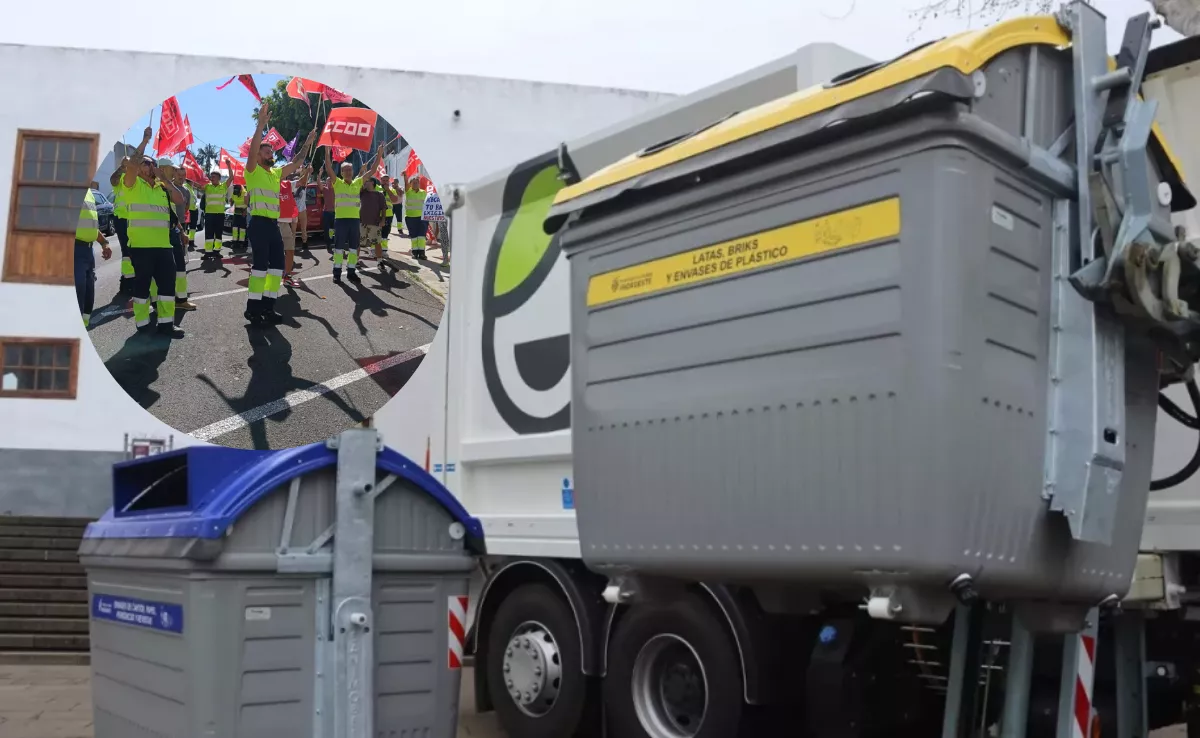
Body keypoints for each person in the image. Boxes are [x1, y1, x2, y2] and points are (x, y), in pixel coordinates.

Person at [242, 102, 315, 325]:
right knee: (260, 267)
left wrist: (308, 143)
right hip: (259, 224)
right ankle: (253, 308)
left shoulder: (276, 173)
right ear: (259, 155)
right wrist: (260, 127)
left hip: (273, 224)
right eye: (267, 150)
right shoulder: (252, 171)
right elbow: (253, 150)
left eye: (272, 150)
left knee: (277, 267)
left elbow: (297, 162)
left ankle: (268, 306)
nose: (271, 152)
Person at [118, 126, 187, 338]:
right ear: (138, 167)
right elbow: (131, 165)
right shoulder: (131, 184)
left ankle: (166, 324)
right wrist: (145, 140)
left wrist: (165, 180)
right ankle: (142, 323)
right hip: (141, 248)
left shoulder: (161, 188)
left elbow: (180, 200)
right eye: (146, 163)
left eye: (152, 163)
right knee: (142, 288)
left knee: (167, 287)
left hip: (163, 247)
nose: (150, 166)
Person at [324, 144, 384, 284]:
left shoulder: (357, 183)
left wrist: (379, 153)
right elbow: (328, 168)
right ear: (341, 173)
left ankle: (351, 272)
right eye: (345, 170)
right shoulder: (337, 183)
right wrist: (327, 153)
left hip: (354, 221)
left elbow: (372, 170)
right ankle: (337, 273)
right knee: (338, 249)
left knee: (353, 248)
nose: (348, 172)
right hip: (340, 221)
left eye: (350, 169)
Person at [76, 187, 112, 327]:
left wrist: (104, 242)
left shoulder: (89, 193)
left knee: (87, 292)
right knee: (77, 292)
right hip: (74, 250)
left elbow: (89, 224)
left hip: (87, 251)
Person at [167, 165, 198, 313]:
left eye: (183, 175)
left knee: (180, 264)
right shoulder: (166, 187)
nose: (181, 177)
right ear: (174, 174)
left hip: (180, 228)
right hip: (167, 229)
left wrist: (181, 229)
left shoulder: (186, 191)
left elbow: (185, 209)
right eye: (179, 175)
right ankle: (165, 298)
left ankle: (180, 299)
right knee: (169, 265)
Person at [279, 164, 312, 288]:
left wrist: (307, 171)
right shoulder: (268, 183)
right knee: (272, 253)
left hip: (284, 222)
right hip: (271, 222)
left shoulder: (287, 184)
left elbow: (302, 181)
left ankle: (287, 276)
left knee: (290, 249)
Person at [108, 161, 135, 293]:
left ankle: (130, 278)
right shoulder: (120, 178)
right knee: (127, 249)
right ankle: (127, 281)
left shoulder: (135, 178)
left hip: (134, 218)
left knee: (134, 248)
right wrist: (121, 168)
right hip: (121, 219)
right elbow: (112, 180)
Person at [201, 169, 231, 262]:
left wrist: (229, 166)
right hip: (209, 215)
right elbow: (198, 184)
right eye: (211, 176)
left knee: (218, 234)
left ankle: (217, 251)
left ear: (219, 178)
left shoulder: (224, 186)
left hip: (220, 215)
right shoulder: (207, 186)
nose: (212, 178)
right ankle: (208, 252)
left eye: (214, 176)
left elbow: (231, 177)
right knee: (208, 234)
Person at [359, 175, 386, 273]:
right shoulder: (362, 193)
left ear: (373, 183)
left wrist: (383, 220)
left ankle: (380, 261)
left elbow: (383, 209)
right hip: (362, 223)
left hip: (375, 223)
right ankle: (356, 261)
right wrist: (363, 173)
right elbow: (359, 184)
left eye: (367, 181)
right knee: (358, 243)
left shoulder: (379, 195)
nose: (365, 182)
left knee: (377, 243)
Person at [404, 174, 429, 260]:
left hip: (422, 218)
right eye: (413, 183)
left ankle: (422, 253)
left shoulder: (424, 193)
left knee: (422, 236)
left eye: (417, 183)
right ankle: (415, 253)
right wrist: (405, 176)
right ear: (410, 184)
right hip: (411, 218)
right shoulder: (408, 191)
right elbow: (405, 185)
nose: (415, 184)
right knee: (414, 236)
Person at [321, 168, 336, 251]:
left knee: (333, 229)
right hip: (326, 212)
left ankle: (333, 243)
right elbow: (319, 183)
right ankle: (328, 244)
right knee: (327, 229)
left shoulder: (336, 189)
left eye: (331, 181)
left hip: (334, 212)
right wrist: (319, 174)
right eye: (328, 181)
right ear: (326, 182)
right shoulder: (325, 189)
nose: (329, 182)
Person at [295, 174, 310, 248]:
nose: (298, 182)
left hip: (303, 210)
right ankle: (292, 244)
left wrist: (307, 170)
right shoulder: (292, 188)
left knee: (303, 228)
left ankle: (304, 242)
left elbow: (307, 178)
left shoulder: (303, 188)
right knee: (293, 229)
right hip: (294, 211)